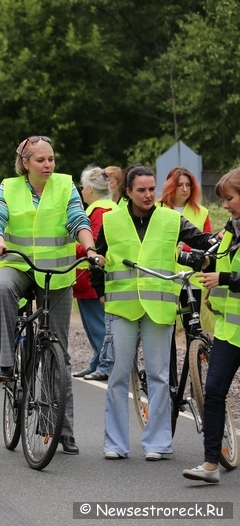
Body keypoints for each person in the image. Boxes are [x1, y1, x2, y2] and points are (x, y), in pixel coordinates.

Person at [0, 136, 101, 455]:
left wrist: (90, 248)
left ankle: (61, 429)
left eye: (51, 159)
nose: (48, 165)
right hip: (18, 264)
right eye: (41, 160)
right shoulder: (8, 187)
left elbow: (78, 220)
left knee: (58, 350)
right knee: (0, 287)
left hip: (57, 271)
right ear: (25, 163)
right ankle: (7, 360)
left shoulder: (65, 186)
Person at [91, 165, 213, 461]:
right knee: (119, 375)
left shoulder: (172, 220)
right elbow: (96, 257)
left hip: (158, 308)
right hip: (122, 308)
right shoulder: (111, 220)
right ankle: (115, 444)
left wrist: (220, 242)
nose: (148, 195)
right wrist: (101, 293)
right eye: (141, 190)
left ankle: (158, 443)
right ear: (129, 192)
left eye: (151, 189)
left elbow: (204, 241)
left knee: (159, 376)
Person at [184, 167, 240, 483]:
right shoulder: (230, 230)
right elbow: (213, 260)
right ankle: (209, 465)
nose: (226, 205)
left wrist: (226, 279)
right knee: (214, 392)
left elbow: (229, 274)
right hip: (229, 331)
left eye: (230, 198)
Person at [157, 166, 211, 358]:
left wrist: (186, 248)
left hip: (192, 280)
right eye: (180, 185)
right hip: (165, 279)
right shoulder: (156, 210)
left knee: (193, 331)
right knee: (165, 333)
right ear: (171, 186)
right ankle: (169, 383)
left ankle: (194, 383)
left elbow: (207, 246)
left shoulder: (202, 212)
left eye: (188, 185)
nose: (185, 189)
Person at [72, 166, 117, 381]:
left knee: (99, 325)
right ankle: (97, 361)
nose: (81, 191)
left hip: (92, 278)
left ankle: (106, 364)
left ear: (89, 189)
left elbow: (95, 244)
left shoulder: (100, 212)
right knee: (94, 325)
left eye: (82, 187)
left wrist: (70, 248)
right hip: (87, 279)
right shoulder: (109, 208)